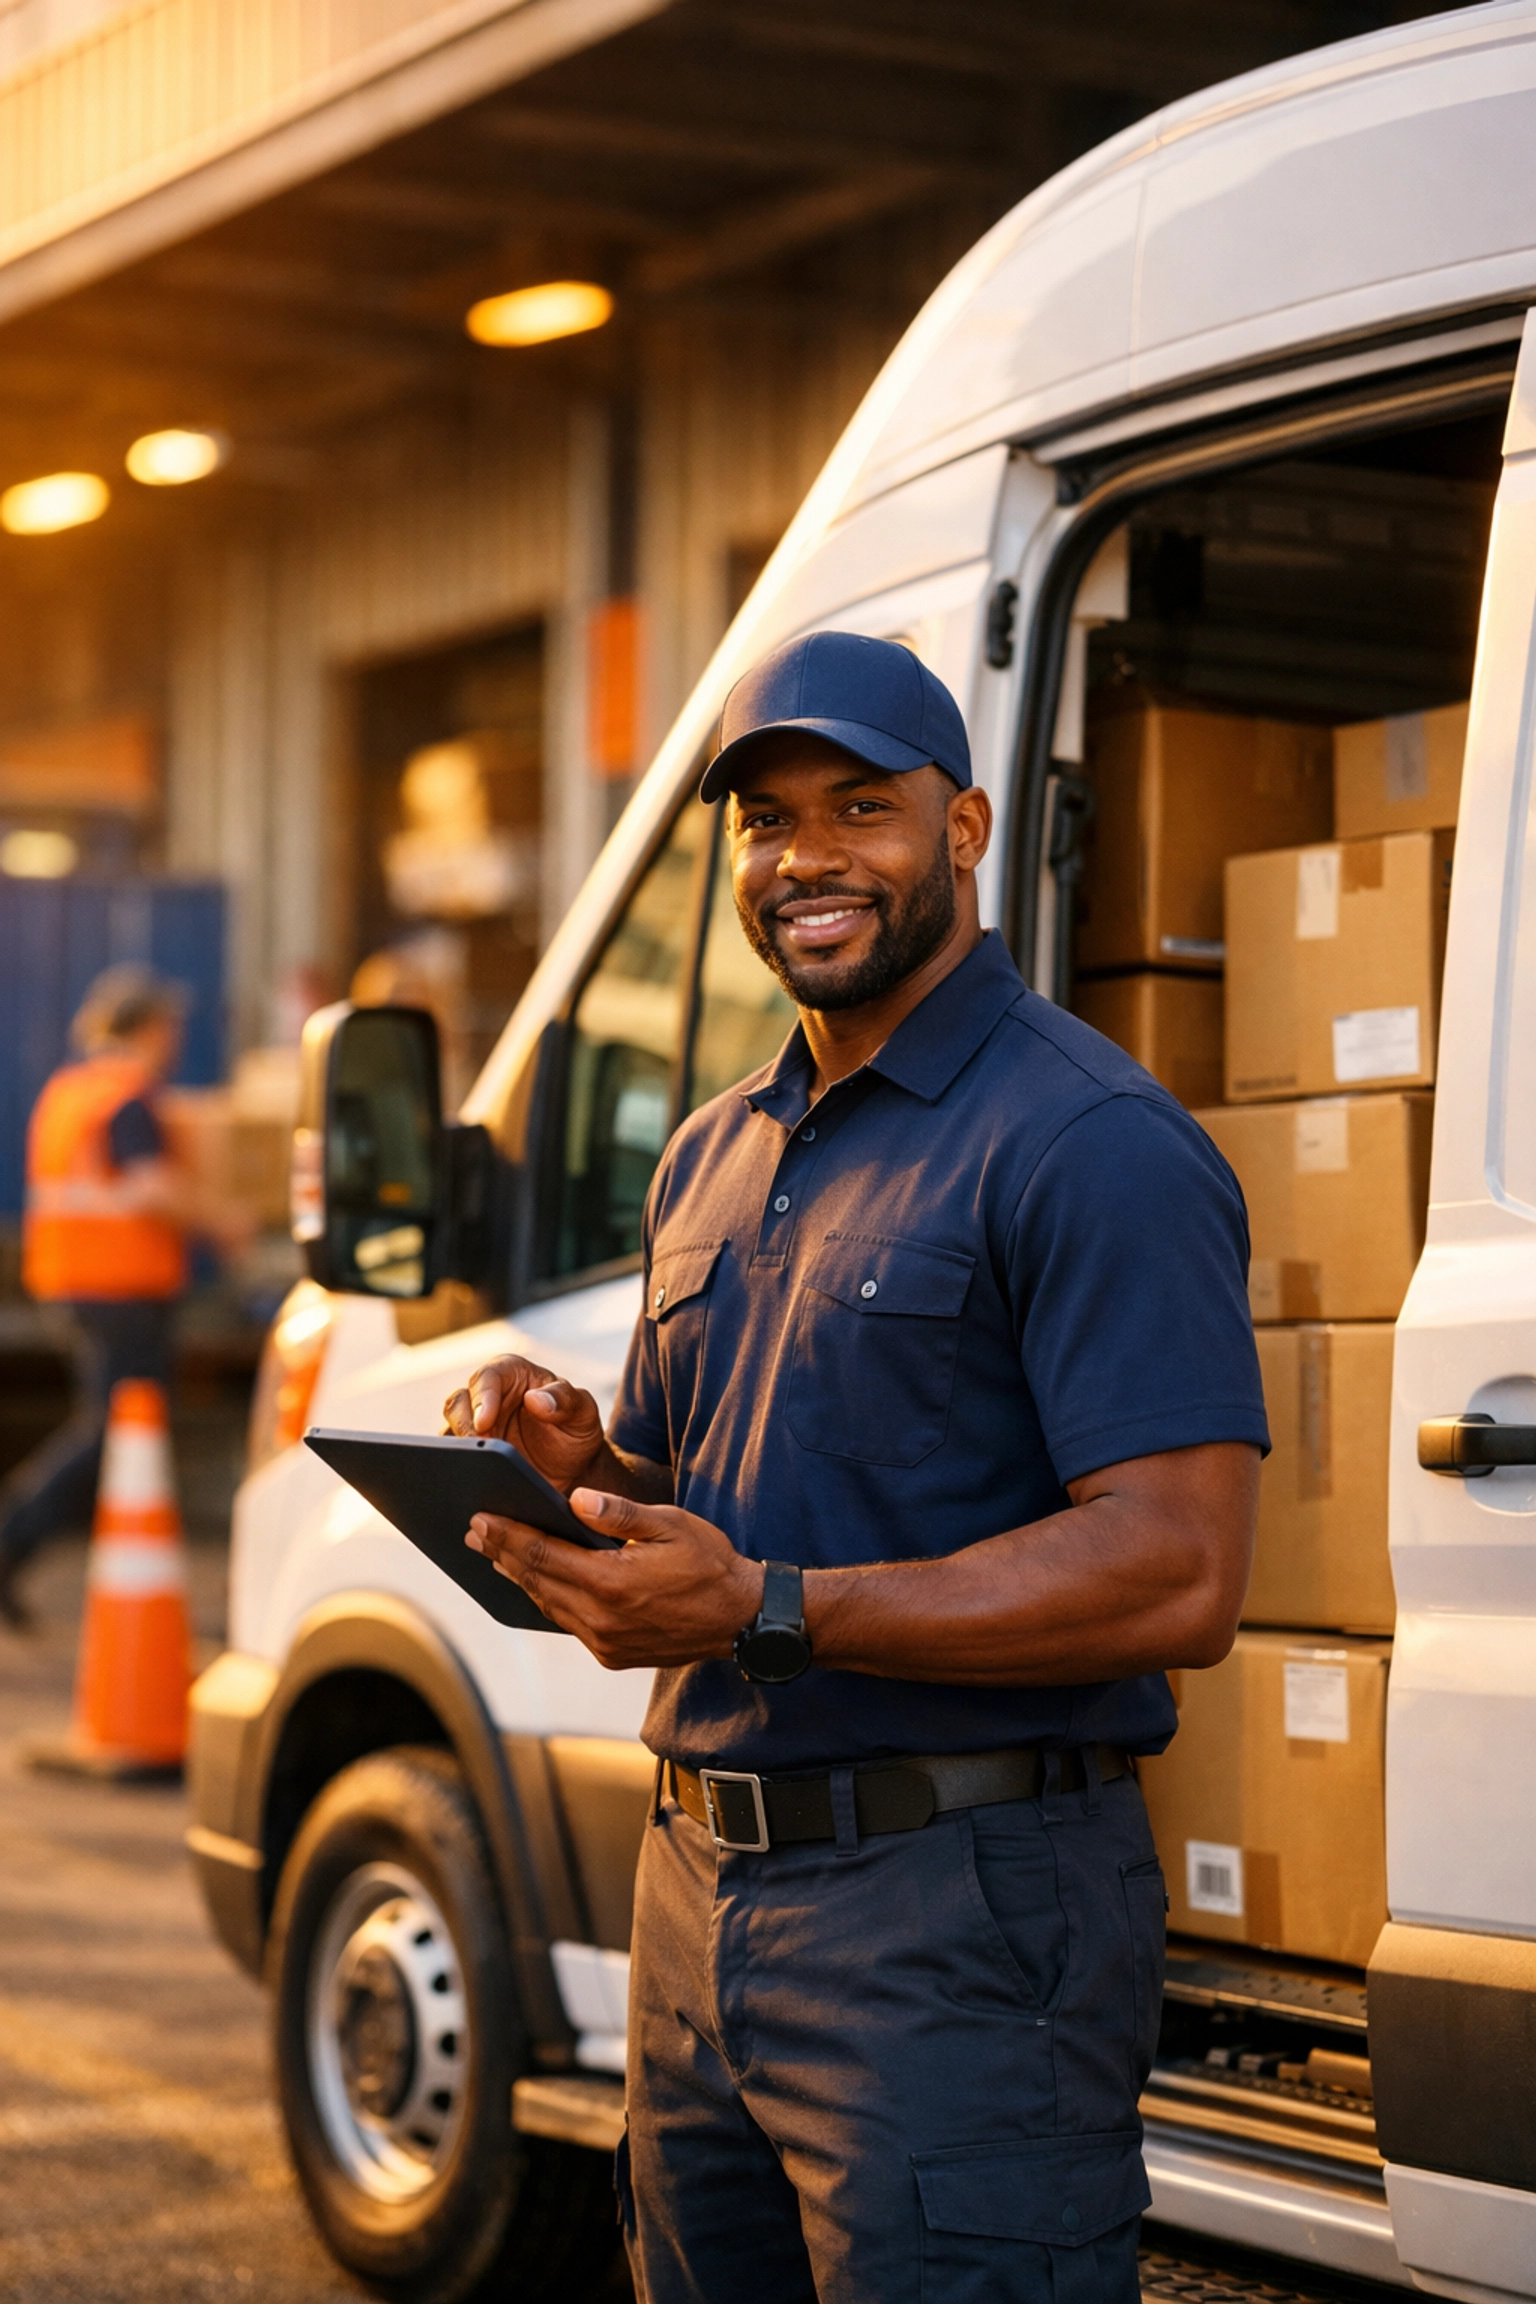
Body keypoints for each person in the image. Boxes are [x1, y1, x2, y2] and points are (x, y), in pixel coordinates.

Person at [444, 631, 1269, 2304]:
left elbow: (1178, 1569)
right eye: (766, 820)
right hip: (693, 1897)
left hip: (956, 1918)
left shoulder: (1090, 1142)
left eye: (860, 807)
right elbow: (705, 1494)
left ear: (964, 829)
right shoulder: (712, 1148)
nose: (805, 856)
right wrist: (582, 1465)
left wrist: (770, 1608)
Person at [0, 967, 232, 1629]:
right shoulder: (127, 1099)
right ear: (151, 1029)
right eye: (172, 1028)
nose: (177, 1041)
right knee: (119, 1431)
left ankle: (120, 1569)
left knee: (122, 1432)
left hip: (78, 1282)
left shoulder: (72, 1092)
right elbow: (150, 1189)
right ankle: (13, 1539)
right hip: (119, 1290)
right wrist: (224, 1223)